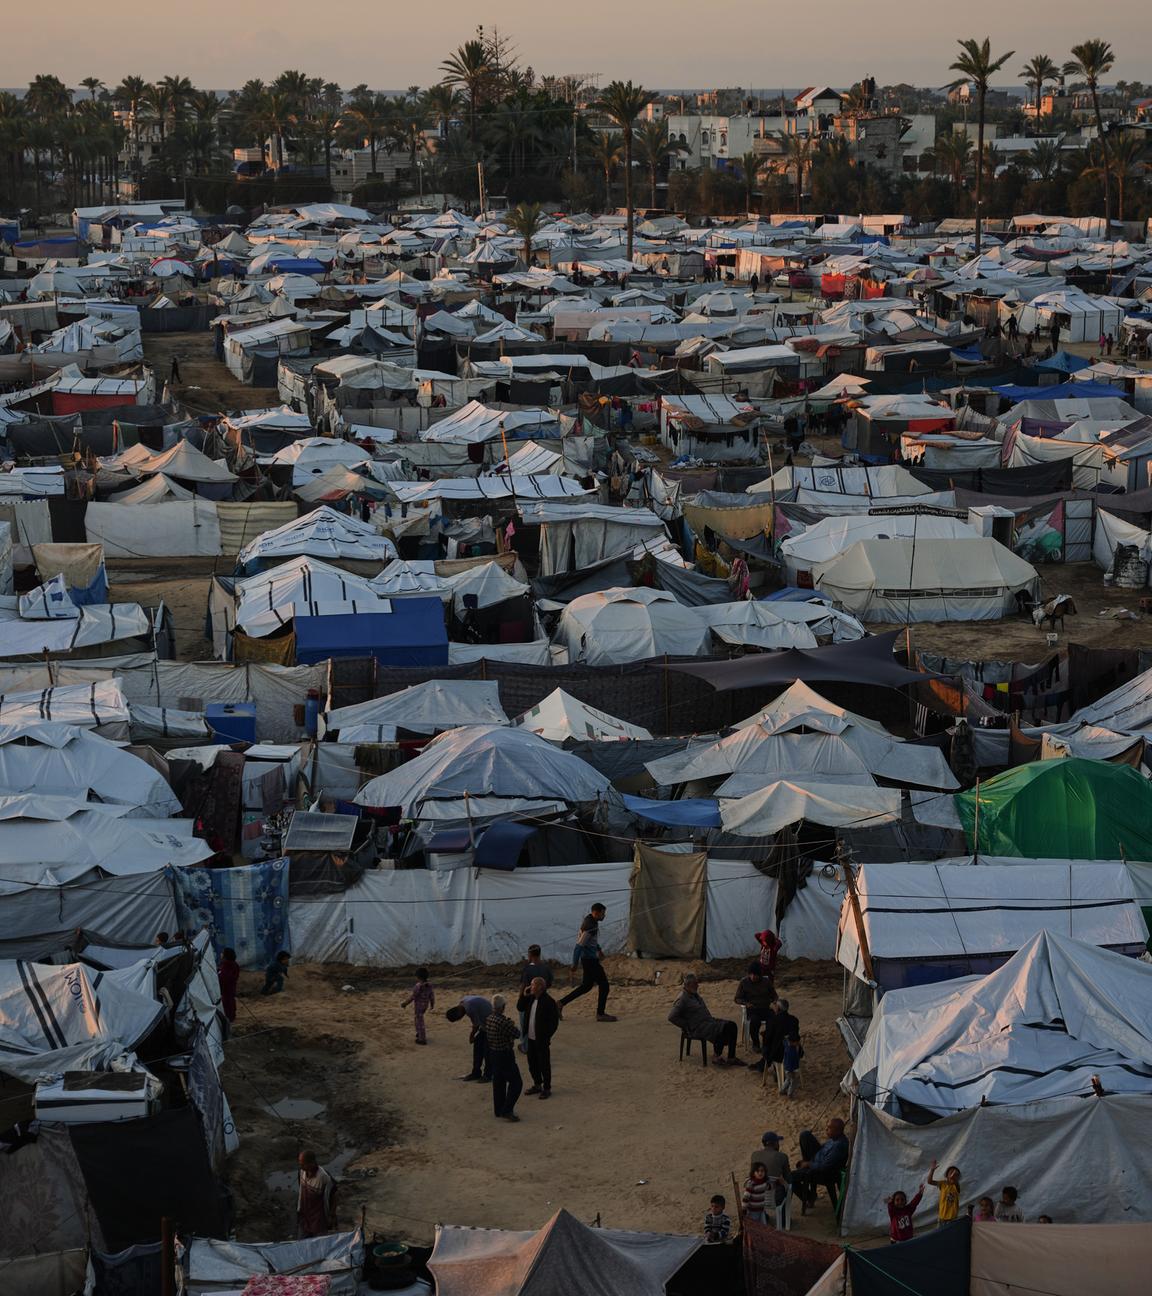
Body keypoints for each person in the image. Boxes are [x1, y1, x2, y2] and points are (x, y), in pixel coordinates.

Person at [667, 974, 745, 1066]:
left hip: (707, 1021)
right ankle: (716, 1056)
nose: (698, 985)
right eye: (695, 983)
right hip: (698, 1027)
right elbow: (671, 1017)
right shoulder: (683, 998)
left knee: (731, 1025)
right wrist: (687, 1025)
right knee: (723, 1029)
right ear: (688, 985)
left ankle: (731, 1057)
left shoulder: (693, 994)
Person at [558, 902, 617, 1021]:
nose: (604, 916)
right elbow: (579, 946)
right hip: (590, 961)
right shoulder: (590, 926)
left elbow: (590, 941)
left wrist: (598, 949)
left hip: (588, 959)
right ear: (596, 912)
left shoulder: (590, 921)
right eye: (603, 913)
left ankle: (560, 1003)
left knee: (586, 986)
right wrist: (574, 963)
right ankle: (600, 1014)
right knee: (604, 985)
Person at [792, 1119, 850, 1213]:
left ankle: (810, 1197)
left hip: (824, 1173)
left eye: (829, 1128)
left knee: (791, 1177)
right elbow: (822, 1149)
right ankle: (805, 1166)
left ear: (838, 1131)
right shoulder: (834, 1139)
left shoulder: (838, 1146)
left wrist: (808, 1164)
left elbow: (824, 1167)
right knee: (805, 1135)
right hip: (818, 1158)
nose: (826, 1130)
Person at [517, 975, 559, 1099]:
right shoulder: (530, 998)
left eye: (533, 984)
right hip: (530, 1038)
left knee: (544, 1064)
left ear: (540, 987)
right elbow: (519, 1007)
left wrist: (546, 1036)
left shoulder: (549, 1001)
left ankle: (547, 1088)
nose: (530, 987)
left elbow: (554, 1023)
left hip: (542, 1039)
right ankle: (537, 1084)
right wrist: (524, 995)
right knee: (532, 1063)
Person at [484, 994, 523, 1121]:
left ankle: (499, 1109)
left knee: (499, 1082)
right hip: (505, 1054)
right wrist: (511, 1024)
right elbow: (517, 1034)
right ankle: (507, 1110)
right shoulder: (502, 1021)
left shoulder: (489, 1018)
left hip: (494, 1053)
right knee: (516, 1082)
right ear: (502, 1007)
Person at [755, 998, 800, 1089]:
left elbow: (768, 1038)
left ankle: (769, 1068)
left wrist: (764, 1036)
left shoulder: (773, 1020)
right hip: (794, 1051)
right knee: (775, 1046)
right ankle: (765, 1066)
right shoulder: (794, 1019)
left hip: (779, 1054)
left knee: (769, 1049)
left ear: (778, 1008)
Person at [446, 995, 493, 1081]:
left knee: (487, 1050)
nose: (460, 1019)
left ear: (459, 1013)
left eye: (458, 1018)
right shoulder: (463, 1003)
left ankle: (488, 1075)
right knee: (478, 1047)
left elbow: (476, 1025)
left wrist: (471, 1036)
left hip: (490, 1024)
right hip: (484, 1024)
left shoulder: (470, 1009)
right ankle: (476, 1073)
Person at [733, 962, 776, 1051]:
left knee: (773, 1019)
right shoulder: (744, 982)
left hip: (765, 1008)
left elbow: (774, 996)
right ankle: (755, 1043)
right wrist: (746, 1003)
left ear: (760, 975)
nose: (753, 977)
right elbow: (737, 998)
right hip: (753, 1009)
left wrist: (774, 1002)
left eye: (755, 975)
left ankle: (767, 1041)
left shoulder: (766, 982)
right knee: (754, 1021)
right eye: (751, 974)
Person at [518, 945, 553, 1047]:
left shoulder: (527, 969)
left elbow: (523, 986)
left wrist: (521, 998)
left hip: (529, 999)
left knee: (525, 1021)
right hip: (543, 998)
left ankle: (525, 1045)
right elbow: (550, 983)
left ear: (530, 955)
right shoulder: (546, 968)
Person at [297, 1151, 337, 1238]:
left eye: (303, 1164)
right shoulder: (301, 1172)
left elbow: (335, 1195)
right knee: (302, 1243)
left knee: (318, 1244)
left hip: (318, 1221)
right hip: (304, 1217)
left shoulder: (324, 1177)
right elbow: (301, 1191)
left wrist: (331, 1215)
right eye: (300, 1163)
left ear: (311, 1163)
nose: (301, 1166)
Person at [750, 1132, 790, 1206]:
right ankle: (783, 1216)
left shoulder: (754, 1155)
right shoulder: (782, 1156)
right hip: (774, 1198)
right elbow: (788, 1177)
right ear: (775, 1143)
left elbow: (752, 1174)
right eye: (778, 1142)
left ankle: (763, 1215)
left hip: (756, 1196)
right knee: (787, 1186)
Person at [401, 967, 435, 1045]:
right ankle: (419, 1032)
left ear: (418, 977)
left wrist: (405, 1003)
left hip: (419, 1007)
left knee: (420, 1021)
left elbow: (413, 997)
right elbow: (432, 996)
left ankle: (422, 1039)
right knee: (417, 1019)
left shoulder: (418, 986)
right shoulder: (430, 985)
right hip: (425, 1006)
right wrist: (432, 1004)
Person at [927, 1160, 962, 1225]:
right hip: (942, 1218)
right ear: (946, 1175)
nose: (953, 1175)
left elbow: (957, 1185)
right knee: (940, 1234)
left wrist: (954, 1178)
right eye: (951, 1173)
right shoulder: (943, 1184)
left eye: (956, 1175)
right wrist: (932, 1170)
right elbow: (929, 1181)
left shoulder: (956, 1186)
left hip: (953, 1218)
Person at [217, 947, 239, 1023]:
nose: (221, 954)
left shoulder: (228, 965)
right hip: (229, 991)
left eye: (222, 953)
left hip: (226, 992)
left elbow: (224, 978)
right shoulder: (232, 965)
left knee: (227, 1009)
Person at [780, 1033, 801, 1098]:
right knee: (793, 1081)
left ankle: (782, 1090)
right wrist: (792, 1071)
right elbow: (792, 1062)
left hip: (786, 1067)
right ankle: (790, 1093)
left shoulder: (786, 1043)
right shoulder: (792, 1052)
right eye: (797, 1042)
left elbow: (784, 1040)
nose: (798, 1043)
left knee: (788, 1080)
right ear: (792, 1042)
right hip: (790, 1069)